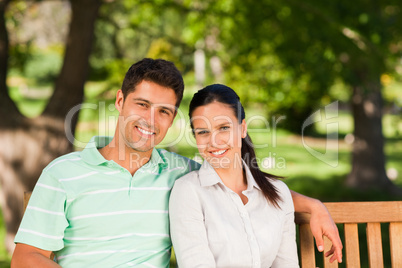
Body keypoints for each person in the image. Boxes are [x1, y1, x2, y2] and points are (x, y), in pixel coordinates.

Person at [11, 58, 342, 267]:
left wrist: (313, 205)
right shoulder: (63, 174)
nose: (150, 120)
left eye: (164, 111)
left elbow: (238, 182)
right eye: (142, 104)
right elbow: (26, 257)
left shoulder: (180, 174)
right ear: (119, 100)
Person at [169, 84, 297, 267]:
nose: (214, 141)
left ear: (242, 128)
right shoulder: (188, 192)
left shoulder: (278, 193)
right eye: (203, 132)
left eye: (223, 128)